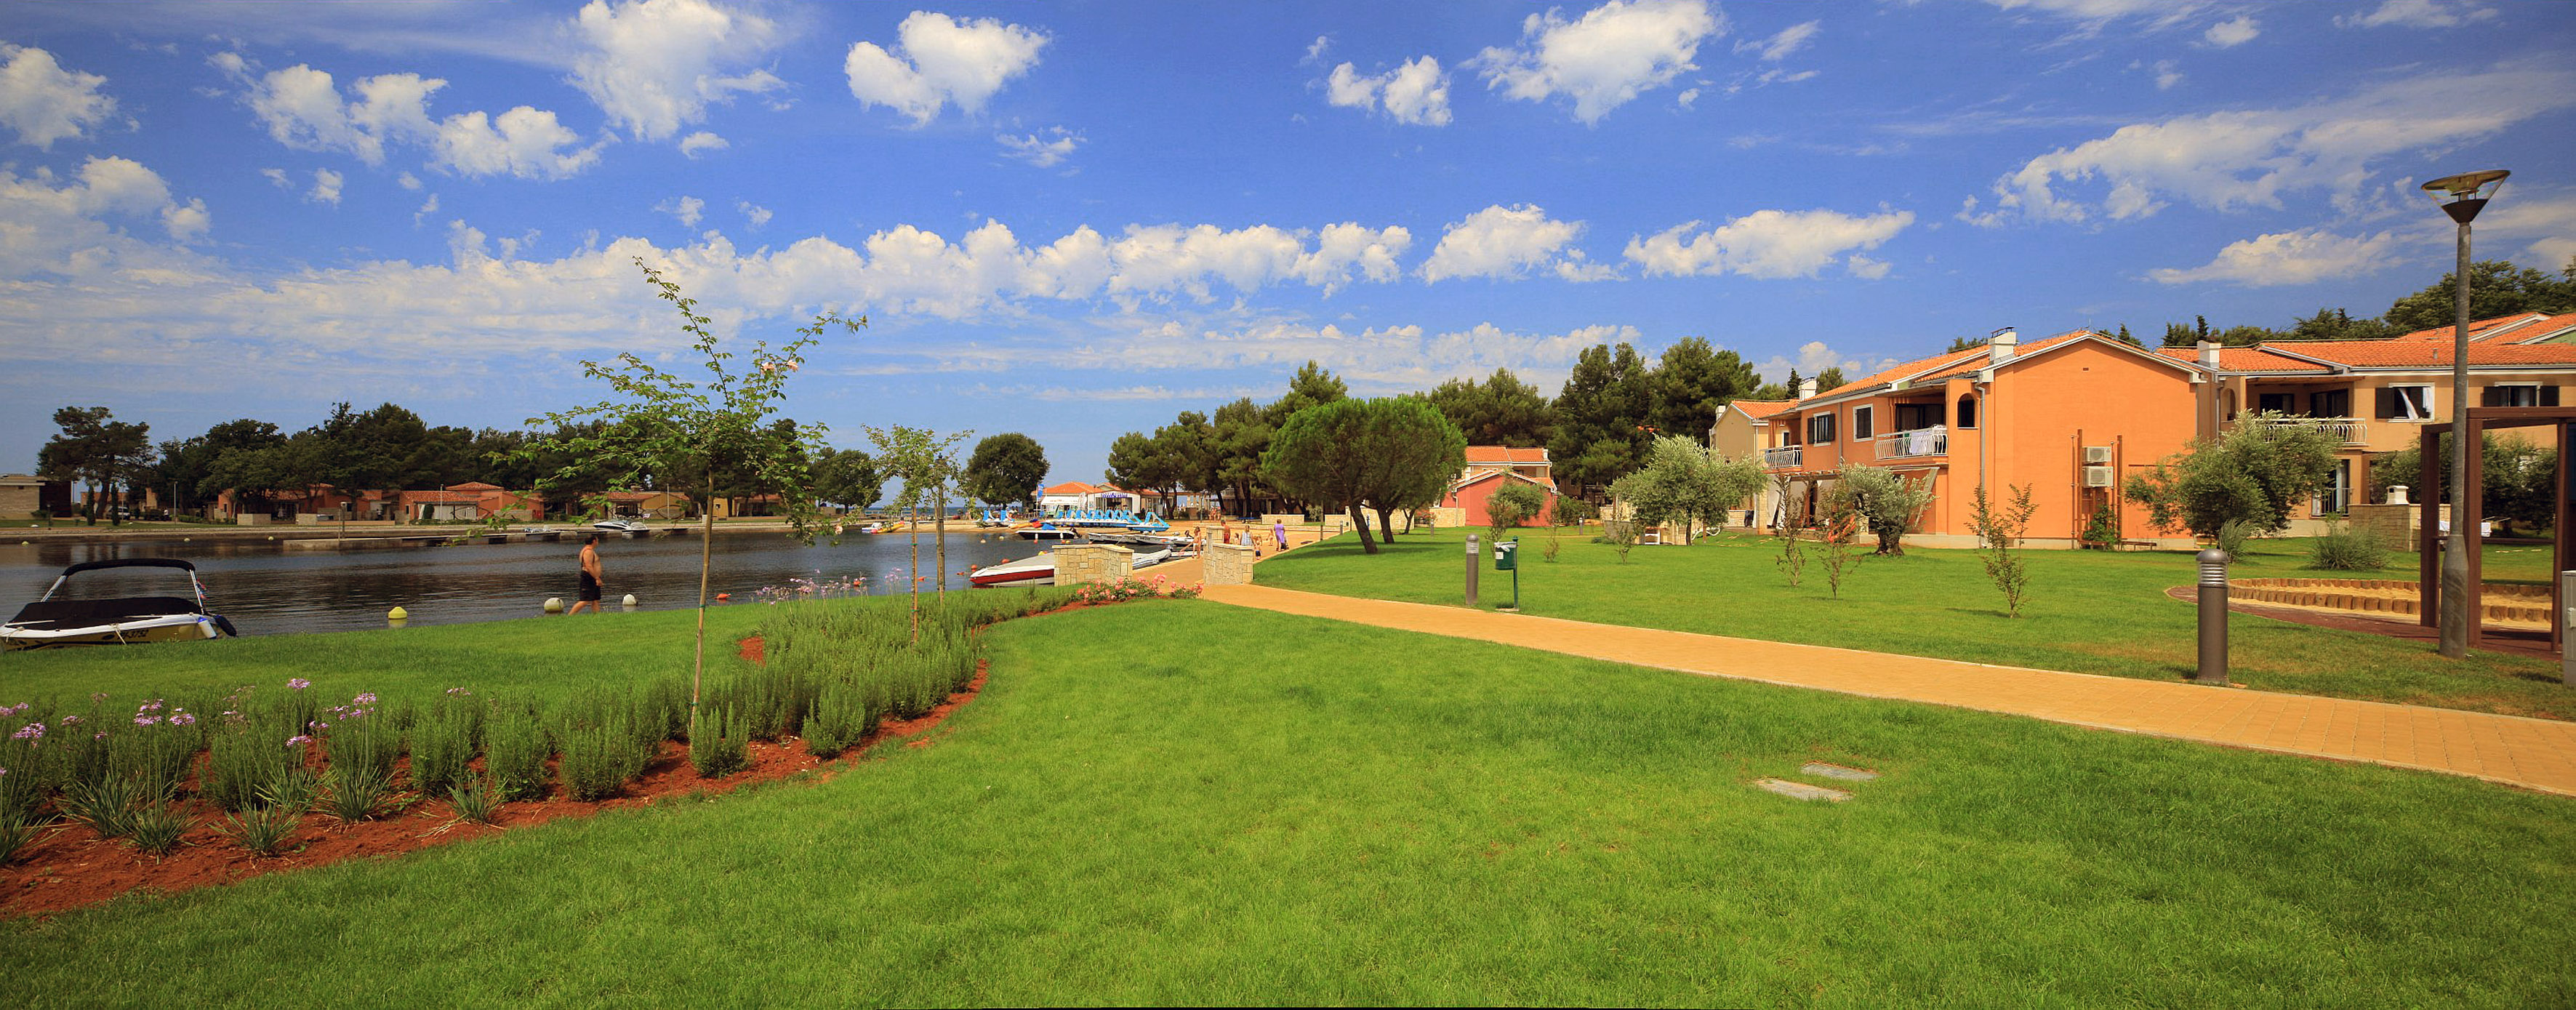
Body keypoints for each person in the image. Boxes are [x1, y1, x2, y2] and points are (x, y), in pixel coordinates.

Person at [567, 534, 606, 614]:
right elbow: (588, 566)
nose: (598, 542)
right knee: (585, 600)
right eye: (597, 540)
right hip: (589, 577)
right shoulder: (588, 551)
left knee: (595, 599)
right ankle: (569, 617)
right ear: (594, 541)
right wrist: (597, 578)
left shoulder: (590, 551)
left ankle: (597, 618)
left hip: (593, 577)